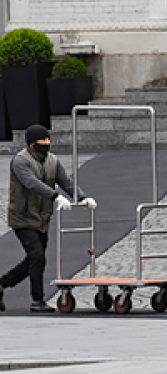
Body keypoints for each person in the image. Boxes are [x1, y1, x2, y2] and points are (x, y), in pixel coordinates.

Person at [0, 125, 97, 313]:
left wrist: (82, 197)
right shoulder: (20, 161)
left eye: (48, 142)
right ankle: (37, 300)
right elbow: (31, 182)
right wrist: (56, 196)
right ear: (31, 144)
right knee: (37, 256)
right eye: (42, 143)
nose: (46, 145)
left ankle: (2, 284)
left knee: (36, 259)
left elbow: (66, 182)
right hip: (23, 217)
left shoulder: (52, 160)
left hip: (42, 217)